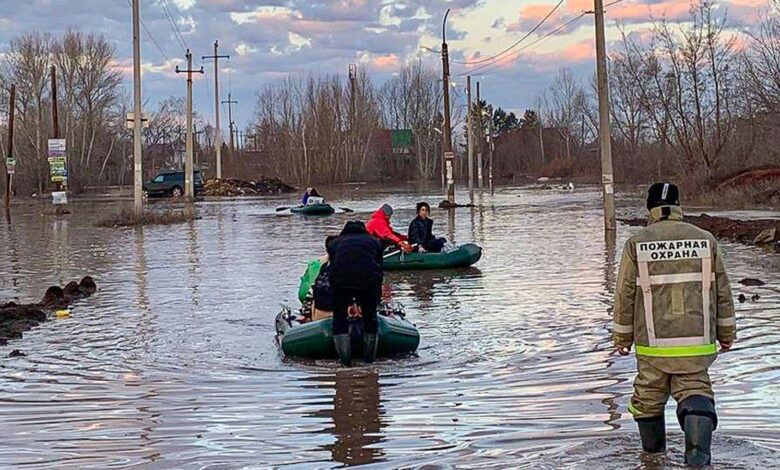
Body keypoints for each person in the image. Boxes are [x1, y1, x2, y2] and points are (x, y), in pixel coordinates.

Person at [613, 182, 736, 467]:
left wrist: (622, 338)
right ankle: (698, 460)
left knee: (647, 400)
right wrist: (726, 334)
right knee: (697, 393)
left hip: (653, 347)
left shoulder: (637, 243)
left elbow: (624, 295)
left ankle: (653, 459)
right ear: (680, 206)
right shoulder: (706, 240)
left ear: (650, 209)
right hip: (696, 344)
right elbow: (723, 293)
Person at [329, 221, 384, 366]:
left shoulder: (335, 243)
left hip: (341, 281)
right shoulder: (374, 242)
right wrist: (377, 297)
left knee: (339, 318)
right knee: (370, 317)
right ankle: (369, 362)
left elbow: (333, 265)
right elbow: (379, 268)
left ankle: (346, 363)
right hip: (368, 280)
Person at [298, 236, 337, 321]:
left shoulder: (321, 269)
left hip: (318, 318)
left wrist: (307, 315)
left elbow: (308, 295)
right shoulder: (349, 271)